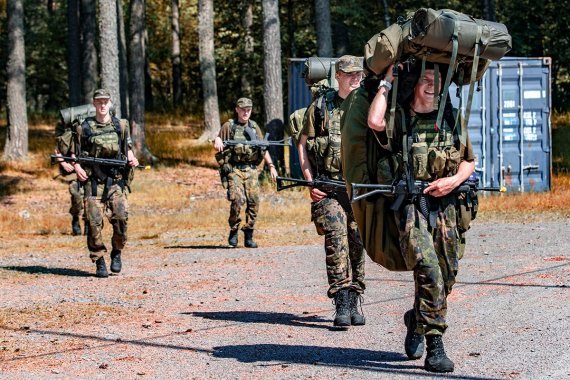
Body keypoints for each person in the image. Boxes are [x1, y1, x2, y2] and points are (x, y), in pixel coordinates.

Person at [343, 61, 475, 372]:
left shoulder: (452, 117)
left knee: (447, 275)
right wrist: (388, 81)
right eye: (426, 79)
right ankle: (435, 344)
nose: (432, 85)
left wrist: (452, 181)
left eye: (437, 79)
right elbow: (374, 121)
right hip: (412, 207)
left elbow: (469, 162)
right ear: (414, 84)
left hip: (447, 207)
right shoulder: (399, 118)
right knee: (428, 268)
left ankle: (416, 319)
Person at [297, 55, 366, 328]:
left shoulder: (367, 107)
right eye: (350, 74)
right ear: (337, 75)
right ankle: (341, 299)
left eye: (359, 74)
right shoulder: (321, 107)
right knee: (336, 238)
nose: (356, 78)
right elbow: (302, 144)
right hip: (328, 187)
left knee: (358, 242)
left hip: (360, 190)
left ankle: (356, 294)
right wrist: (310, 181)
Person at [71, 89, 139, 278]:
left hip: (116, 181)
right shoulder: (83, 127)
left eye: (105, 101)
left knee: (121, 219)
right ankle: (99, 259)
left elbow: (128, 148)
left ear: (109, 103)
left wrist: (132, 158)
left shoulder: (121, 125)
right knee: (93, 224)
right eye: (99, 101)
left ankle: (117, 252)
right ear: (93, 103)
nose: (102, 105)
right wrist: (77, 168)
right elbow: (74, 154)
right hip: (93, 183)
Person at [214, 97, 278, 248]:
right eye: (243, 109)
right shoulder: (229, 126)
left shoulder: (254, 127)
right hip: (234, 169)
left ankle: (249, 233)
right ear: (237, 109)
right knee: (237, 200)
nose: (245, 112)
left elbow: (263, 148)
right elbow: (218, 141)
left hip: (251, 170)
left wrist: (271, 166)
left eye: (248, 110)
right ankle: (234, 230)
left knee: (254, 202)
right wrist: (217, 139)